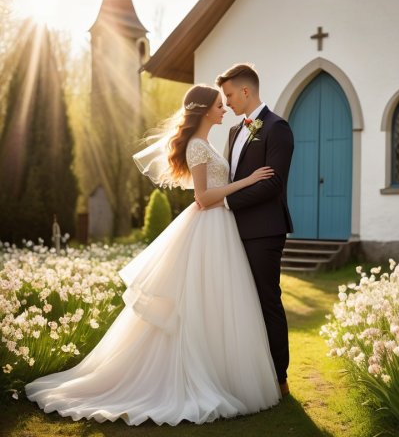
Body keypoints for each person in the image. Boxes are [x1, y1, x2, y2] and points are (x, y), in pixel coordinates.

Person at [25, 85, 282, 425]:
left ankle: (223, 375)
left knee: (216, 304)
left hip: (221, 229)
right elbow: (203, 197)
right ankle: (189, 376)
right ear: (205, 110)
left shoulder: (206, 144)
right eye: (219, 105)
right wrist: (246, 181)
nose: (224, 110)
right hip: (208, 227)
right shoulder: (196, 147)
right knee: (196, 305)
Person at [214, 63, 294, 396]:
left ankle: (279, 377)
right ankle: (246, 375)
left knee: (266, 301)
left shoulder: (278, 129)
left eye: (230, 95)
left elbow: (273, 184)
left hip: (264, 232)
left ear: (246, 91)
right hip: (231, 232)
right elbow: (232, 180)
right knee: (238, 303)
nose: (227, 102)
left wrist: (228, 204)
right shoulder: (233, 132)